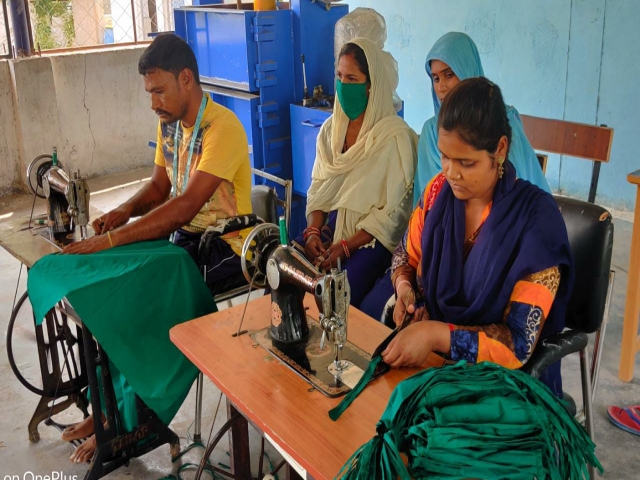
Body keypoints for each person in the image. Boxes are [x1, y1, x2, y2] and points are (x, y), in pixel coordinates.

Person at [60, 33, 252, 462]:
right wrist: (121, 214)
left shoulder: (223, 128)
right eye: (149, 93)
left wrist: (109, 239)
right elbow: (160, 187)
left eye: (159, 91)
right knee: (115, 288)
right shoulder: (170, 124)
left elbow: (183, 206)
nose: (153, 103)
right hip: (185, 240)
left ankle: (127, 423)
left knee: (139, 300)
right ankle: (106, 408)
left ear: (187, 79)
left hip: (224, 246)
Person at [376, 77, 573, 397]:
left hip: (506, 387)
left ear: (500, 150)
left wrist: (436, 334)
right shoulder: (439, 194)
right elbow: (404, 254)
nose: (451, 172)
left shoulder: (536, 224)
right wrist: (405, 290)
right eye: (444, 157)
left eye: (466, 162)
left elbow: (517, 344)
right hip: (437, 365)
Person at [297, 37, 418, 309]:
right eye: (339, 77)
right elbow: (319, 190)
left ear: (370, 85)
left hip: (371, 238)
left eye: (352, 79)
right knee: (287, 268)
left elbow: (393, 214)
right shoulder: (330, 131)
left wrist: (346, 246)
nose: (343, 86)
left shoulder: (394, 137)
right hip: (334, 225)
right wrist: (313, 232)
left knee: (337, 296)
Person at [413, 31, 549, 206]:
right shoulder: (431, 132)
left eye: (449, 75)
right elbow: (428, 200)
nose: (442, 87)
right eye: (436, 78)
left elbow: (517, 186)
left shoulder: (502, 122)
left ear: (468, 69)